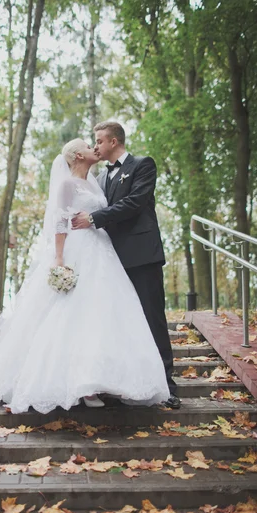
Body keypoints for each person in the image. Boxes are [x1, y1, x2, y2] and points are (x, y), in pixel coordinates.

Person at [0, 138, 170, 414]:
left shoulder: (97, 182)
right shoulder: (67, 184)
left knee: (105, 314)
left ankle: (104, 379)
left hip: (103, 251)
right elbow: (59, 219)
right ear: (76, 155)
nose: (94, 147)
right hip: (77, 251)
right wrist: (59, 258)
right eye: (87, 144)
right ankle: (79, 384)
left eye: (97, 142)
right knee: (74, 313)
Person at [72, 122, 181, 409]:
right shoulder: (103, 178)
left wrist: (95, 218)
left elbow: (134, 203)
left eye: (99, 141)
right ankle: (125, 382)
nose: (95, 146)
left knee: (152, 318)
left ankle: (168, 387)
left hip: (142, 255)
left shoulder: (143, 165)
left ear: (114, 141)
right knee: (121, 322)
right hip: (111, 261)